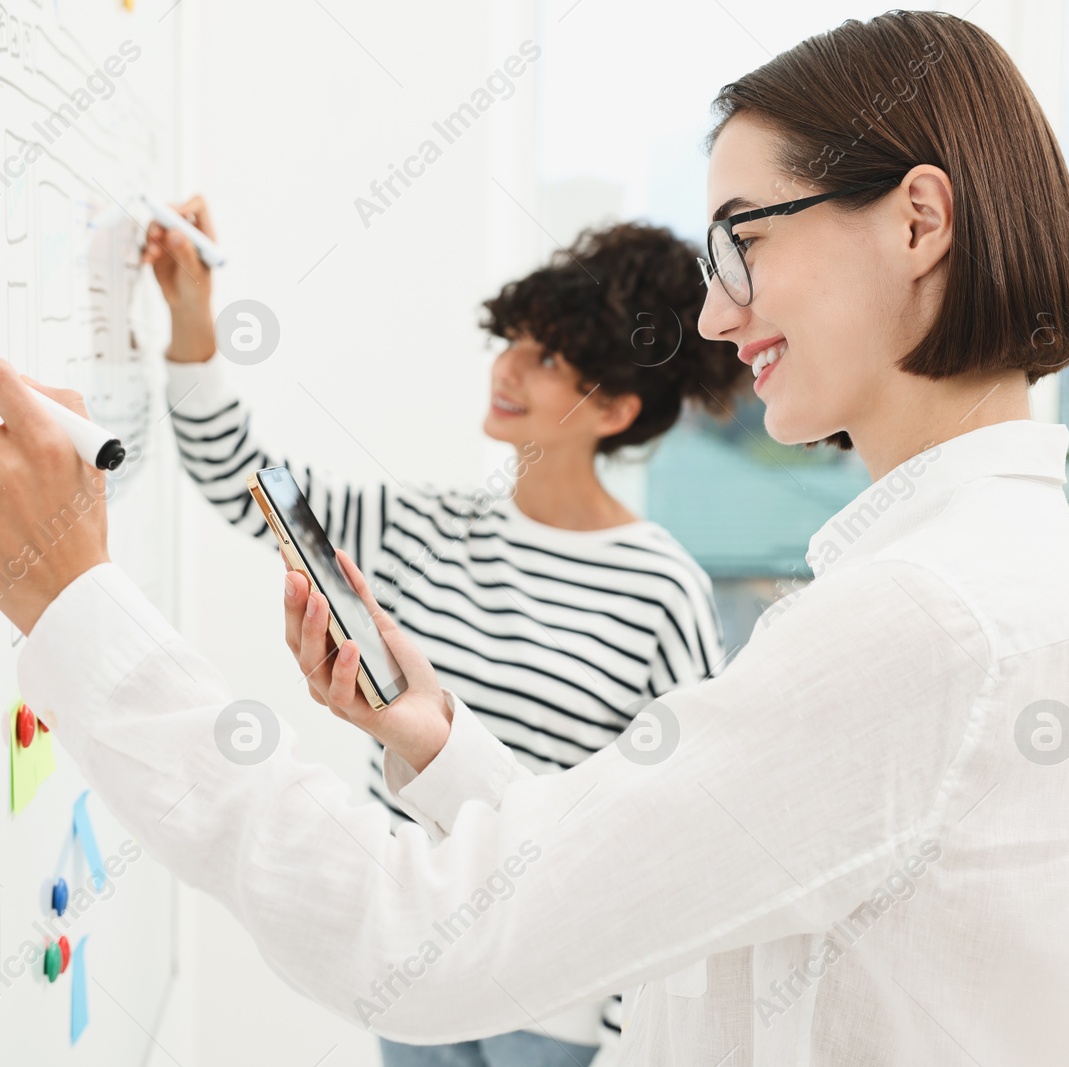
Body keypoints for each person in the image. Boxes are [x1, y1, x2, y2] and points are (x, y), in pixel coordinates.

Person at [0, 10, 1069, 1064]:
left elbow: (426, 930)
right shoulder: (968, 572)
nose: (714, 307)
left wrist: (71, 608)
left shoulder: (920, 613)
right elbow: (656, 847)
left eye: (744, 237)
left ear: (916, 221)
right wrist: (436, 744)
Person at [144, 205, 740, 1064]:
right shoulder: (424, 526)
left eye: (546, 359)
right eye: (515, 340)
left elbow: (670, 830)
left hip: (556, 1013)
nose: (508, 368)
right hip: (415, 973)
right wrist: (193, 319)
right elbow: (233, 473)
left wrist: (626, 1044)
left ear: (613, 408)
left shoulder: (662, 589)